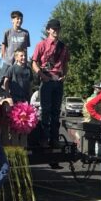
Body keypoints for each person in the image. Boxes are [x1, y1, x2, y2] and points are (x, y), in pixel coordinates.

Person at [31, 18, 70, 148]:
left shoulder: (63, 46)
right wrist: (42, 75)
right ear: (48, 30)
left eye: (58, 29)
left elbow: (66, 64)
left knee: (56, 112)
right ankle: (44, 139)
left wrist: (64, 75)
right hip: (47, 80)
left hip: (58, 81)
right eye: (53, 29)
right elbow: (34, 63)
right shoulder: (41, 45)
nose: (56, 31)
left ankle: (54, 139)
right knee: (45, 111)